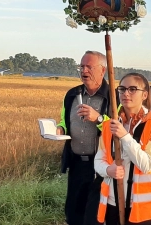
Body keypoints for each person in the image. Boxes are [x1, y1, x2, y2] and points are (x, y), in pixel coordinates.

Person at [95, 73, 151, 224]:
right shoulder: (109, 126)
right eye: (122, 89)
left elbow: (147, 165)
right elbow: (99, 159)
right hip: (113, 203)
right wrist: (108, 170)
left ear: (144, 94)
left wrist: (125, 136)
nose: (126, 93)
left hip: (142, 208)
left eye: (132, 89)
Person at [56, 51, 111, 225]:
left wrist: (99, 118)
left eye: (89, 66)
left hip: (100, 166)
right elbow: (65, 119)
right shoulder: (72, 94)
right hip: (76, 163)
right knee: (73, 212)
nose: (83, 70)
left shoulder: (113, 97)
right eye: (81, 66)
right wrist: (60, 128)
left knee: (94, 216)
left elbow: (119, 129)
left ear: (102, 70)